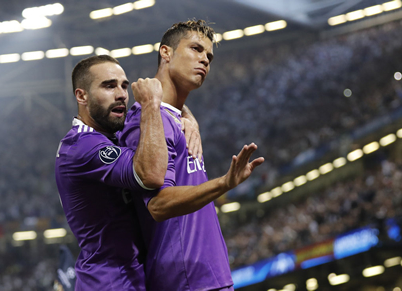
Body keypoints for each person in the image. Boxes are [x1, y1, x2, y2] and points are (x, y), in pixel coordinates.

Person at [119, 20, 264, 291]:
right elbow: (158, 204)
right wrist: (224, 183)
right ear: (166, 53)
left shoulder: (177, 119)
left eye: (209, 56)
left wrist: (186, 114)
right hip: (185, 280)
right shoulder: (148, 121)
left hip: (208, 276)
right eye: (196, 49)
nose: (205, 60)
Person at [55, 55, 202, 290]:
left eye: (124, 85)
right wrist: (152, 104)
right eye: (109, 85)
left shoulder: (113, 135)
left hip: (134, 276)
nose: (122, 93)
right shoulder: (81, 146)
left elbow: (172, 102)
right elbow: (152, 175)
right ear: (82, 96)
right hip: (111, 281)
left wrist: (187, 116)